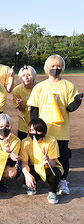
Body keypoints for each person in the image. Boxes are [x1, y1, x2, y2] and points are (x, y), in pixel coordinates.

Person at [27, 54, 83, 195]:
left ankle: (63, 181)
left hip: (60, 130)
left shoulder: (69, 86)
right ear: (47, 68)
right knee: (39, 156)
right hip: (43, 131)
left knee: (63, 156)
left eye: (58, 66)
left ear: (62, 68)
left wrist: (77, 101)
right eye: (53, 66)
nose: (56, 68)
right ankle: (36, 180)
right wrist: (33, 128)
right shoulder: (40, 87)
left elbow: (70, 108)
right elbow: (34, 109)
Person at [20, 118, 63, 204]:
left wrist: (47, 161)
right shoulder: (25, 142)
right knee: (20, 178)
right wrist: (27, 175)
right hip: (34, 167)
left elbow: (53, 163)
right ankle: (33, 185)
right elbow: (24, 163)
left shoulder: (51, 141)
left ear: (43, 131)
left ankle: (52, 192)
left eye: (38, 131)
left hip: (48, 168)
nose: (34, 133)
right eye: (32, 130)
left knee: (54, 174)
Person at [12, 66, 37, 140]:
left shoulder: (40, 87)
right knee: (22, 141)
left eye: (29, 75)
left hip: (37, 121)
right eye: (23, 76)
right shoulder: (17, 90)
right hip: (24, 121)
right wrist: (21, 104)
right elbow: (21, 109)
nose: (26, 77)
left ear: (33, 76)